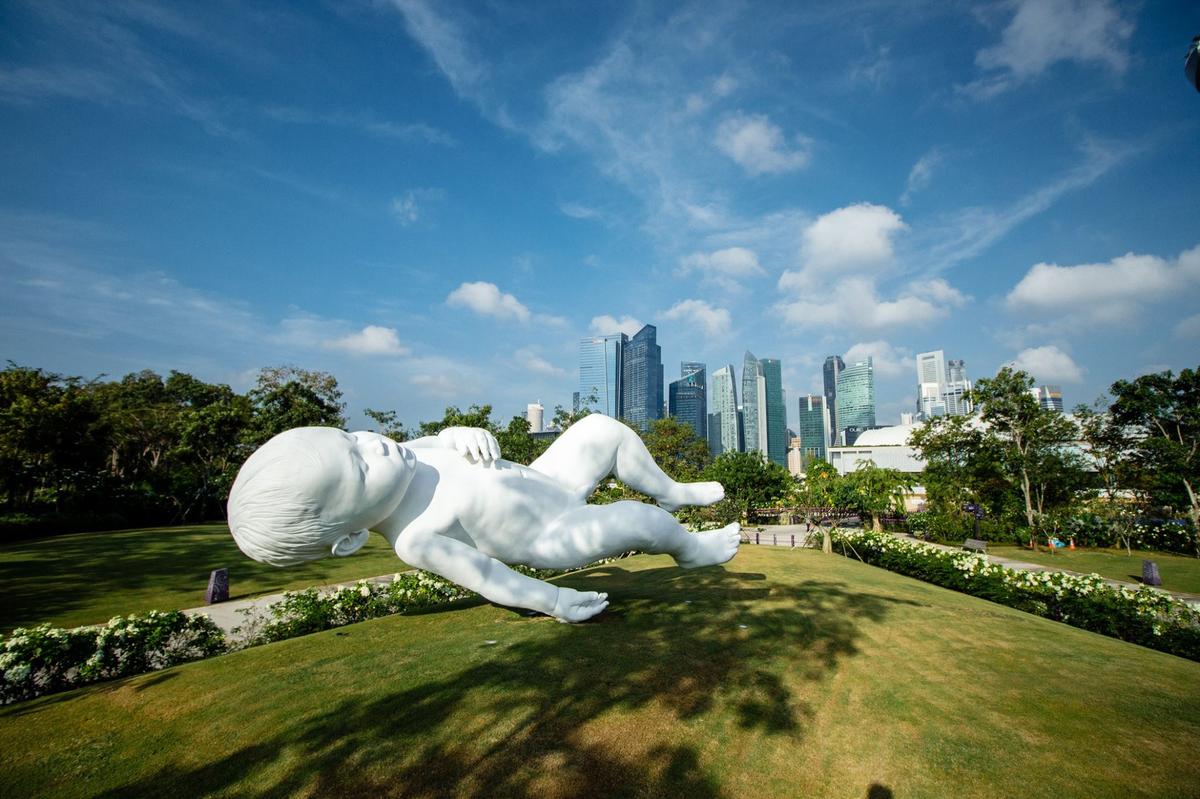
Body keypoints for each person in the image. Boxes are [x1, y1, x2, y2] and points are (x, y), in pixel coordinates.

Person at [227, 414, 740, 622]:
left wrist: (460, 431)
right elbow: (489, 576)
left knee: (602, 429)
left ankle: (672, 491)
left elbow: (447, 440)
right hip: (550, 535)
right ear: (352, 535)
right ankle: (691, 550)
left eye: (351, 438)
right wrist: (553, 599)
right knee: (640, 522)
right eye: (361, 468)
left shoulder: (409, 450)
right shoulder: (416, 538)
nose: (374, 445)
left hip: (549, 481)